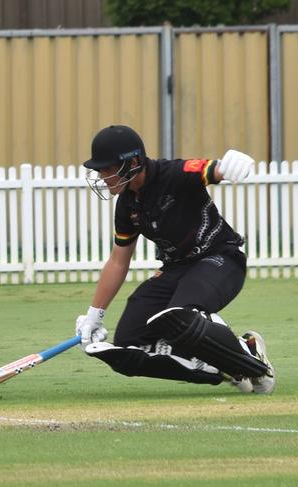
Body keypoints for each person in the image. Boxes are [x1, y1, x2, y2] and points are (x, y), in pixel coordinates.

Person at [75, 125, 275, 394]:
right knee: (128, 341)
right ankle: (214, 367)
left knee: (179, 316)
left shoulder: (173, 174)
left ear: (133, 162)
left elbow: (210, 169)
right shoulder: (126, 204)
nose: (102, 175)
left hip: (221, 258)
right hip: (175, 269)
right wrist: (93, 316)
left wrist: (227, 167)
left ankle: (249, 355)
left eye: (107, 168)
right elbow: (118, 261)